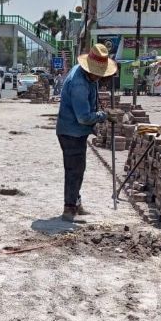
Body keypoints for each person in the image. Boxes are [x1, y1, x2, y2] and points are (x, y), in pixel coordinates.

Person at [56, 44, 118, 220]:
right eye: (98, 73)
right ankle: (69, 208)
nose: (100, 77)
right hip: (71, 132)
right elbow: (83, 117)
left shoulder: (88, 78)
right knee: (74, 170)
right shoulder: (79, 84)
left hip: (76, 132)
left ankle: (75, 202)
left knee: (78, 168)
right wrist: (103, 115)